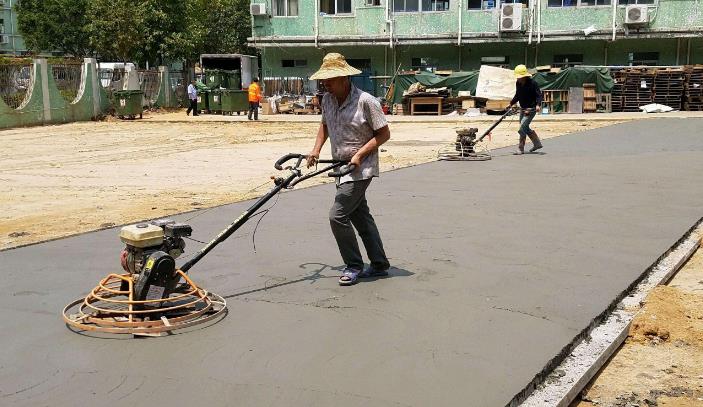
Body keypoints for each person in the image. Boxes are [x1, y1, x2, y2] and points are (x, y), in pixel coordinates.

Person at [306, 53, 391, 286]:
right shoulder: (327, 100)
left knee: (338, 215)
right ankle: (379, 263)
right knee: (360, 216)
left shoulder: (367, 101)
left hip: (361, 168)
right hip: (340, 166)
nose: (325, 85)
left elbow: (384, 134)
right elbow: (324, 126)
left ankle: (353, 265)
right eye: (324, 81)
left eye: (329, 80)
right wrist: (315, 151)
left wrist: (359, 154)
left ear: (344, 77)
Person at [509, 65, 543, 155]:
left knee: (522, 128)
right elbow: (517, 95)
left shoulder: (533, 83)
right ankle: (537, 144)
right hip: (522, 108)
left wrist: (538, 105)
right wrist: (511, 103)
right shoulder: (518, 83)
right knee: (525, 127)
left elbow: (539, 95)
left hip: (531, 109)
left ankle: (520, 149)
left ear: (524, 76)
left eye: (520, 77)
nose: (519, 79)